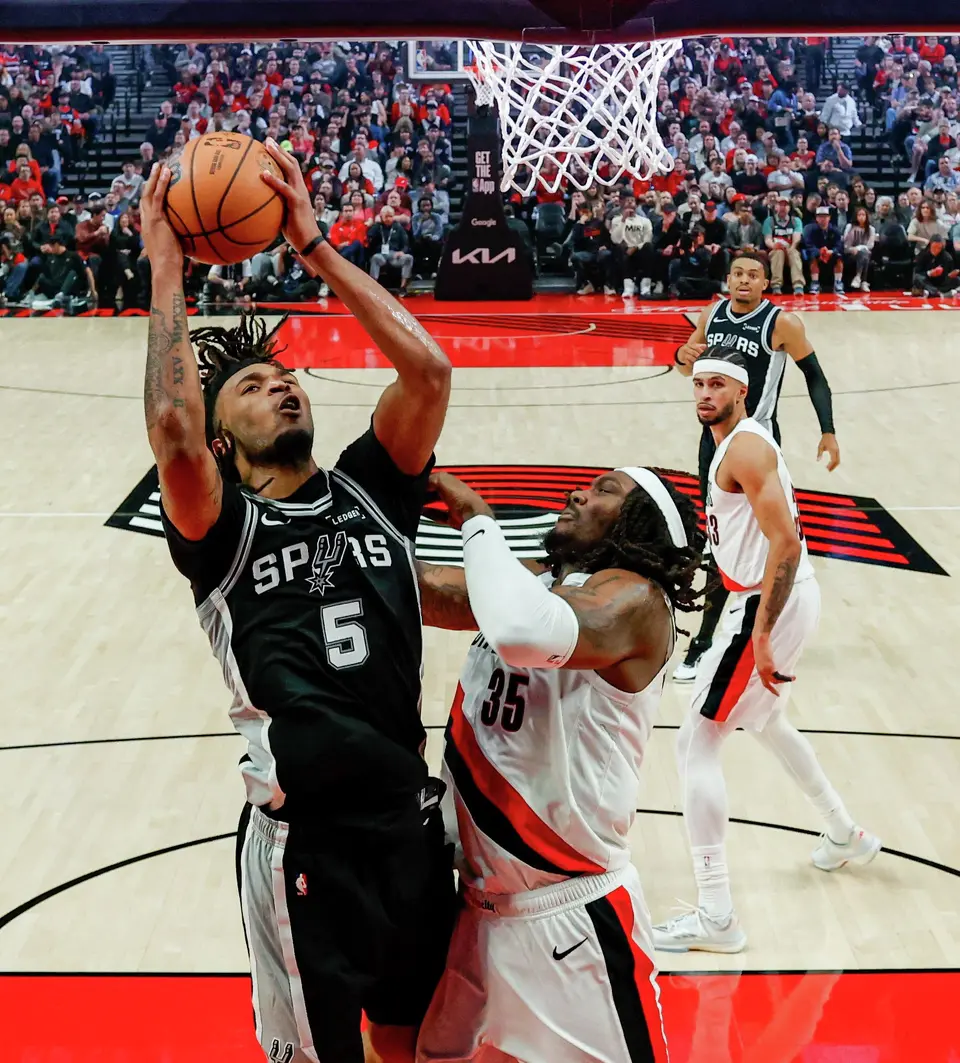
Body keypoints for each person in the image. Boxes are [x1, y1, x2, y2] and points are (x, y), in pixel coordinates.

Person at [139, 139, 456, 1063]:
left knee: (415, 1045)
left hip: (407, 818)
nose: (279, 384)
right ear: (222, 435)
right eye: (249, 385)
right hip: (302, 845)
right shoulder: (220, 526)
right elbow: (170, 425)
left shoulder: (372, 485)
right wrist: (167, 264)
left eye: (284, 377)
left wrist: (315, 245)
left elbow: (429, 373)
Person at [413, 465, 704, 1062]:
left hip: (571, 923)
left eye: (605, 491)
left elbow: (523, 632)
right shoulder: (542, 589)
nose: (578, 492)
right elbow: (417, 592)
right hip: (478, 914)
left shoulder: (634, 601)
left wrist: (476, 517)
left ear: (638, 524)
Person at [652, 348, 880, 954]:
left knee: (696, 740)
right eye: (698, 384)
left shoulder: (747, 447)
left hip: (768, 601)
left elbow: (787, 540)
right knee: (770, 722)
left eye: (717, 385)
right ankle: (843, 832)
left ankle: (717, 915)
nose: (704, 393)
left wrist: (758, 630)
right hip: (769, 597)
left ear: (741, 391)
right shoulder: (736, 443)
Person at [670, 252, 840, 683]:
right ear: (728, 279)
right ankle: (712, 641)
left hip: (757, 443)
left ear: (766, 281)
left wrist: (828, 430)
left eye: (753, 275)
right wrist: (681, 352)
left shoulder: (782, 324)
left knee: (765, 541)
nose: (744, 281)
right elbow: (690, 366)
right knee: (721, 543)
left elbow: (815, 376)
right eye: (738, 274)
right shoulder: (712, 314)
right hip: (716, 444)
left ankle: (751, 631)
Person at [762, 194, 805, 294]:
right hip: (775, 249)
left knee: (794, 253)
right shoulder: (769, 221)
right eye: (780, 204)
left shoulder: (796, 221)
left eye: (785, 205)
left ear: (789, 207)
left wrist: (792, 247)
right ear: (775, 207)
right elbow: (767, 239)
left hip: (790, 248)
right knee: (778, 253)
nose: (783, 207)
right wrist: (773, 246)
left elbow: (797, 237)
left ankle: (798, 285)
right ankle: (776, 285)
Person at [801, 206, 845, 294]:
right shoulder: (810, 229)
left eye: (825, 216)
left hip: (830, 253)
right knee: (813, 257)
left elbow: (839, 245)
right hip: (816, 253)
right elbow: (808, 244)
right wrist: (819, 252)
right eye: (820, 216)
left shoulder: (835, 230)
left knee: (839, 257)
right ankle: (815, 283)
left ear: (829, 218)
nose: (822, 219)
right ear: (816, 218)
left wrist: (831, 251)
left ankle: (838, 282)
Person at [842, 205, 877, 292]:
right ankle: (863, 281)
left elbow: (870, 245)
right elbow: (846, 245)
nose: (861, 217)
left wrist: (859, 248)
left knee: (864, 254)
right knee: (864, 255)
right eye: (859, 215)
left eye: (863, 215)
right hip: (850, 252)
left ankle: (858, 277)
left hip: (864, 252)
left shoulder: (871, 229)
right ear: (856, 216)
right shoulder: (850, 227)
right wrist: (853, 249)